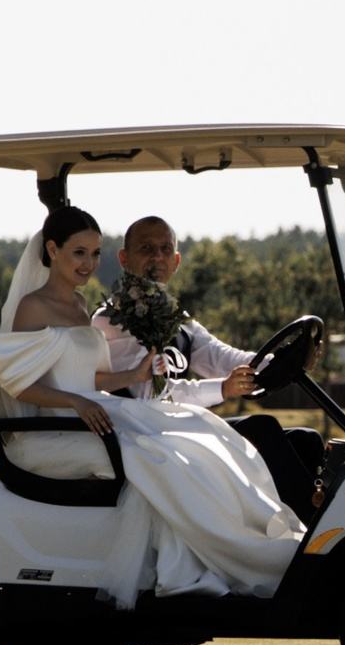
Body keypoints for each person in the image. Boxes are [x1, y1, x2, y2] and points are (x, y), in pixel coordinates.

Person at [0, 204, 300, 608]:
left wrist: (133, 376)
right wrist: (75, 402)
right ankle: (215, 563)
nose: (88, 263)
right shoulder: (38, 307)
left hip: (94, 415)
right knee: (164, 457)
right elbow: (20, 384)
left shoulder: (79, 307)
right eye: (79, 252)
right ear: (53, 250)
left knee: (203, 438)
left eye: (94, 253)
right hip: (62, 427)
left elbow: (90, 377)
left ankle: (244, 545)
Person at [98, 215, 328, 522]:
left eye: (166, 249)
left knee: (307, 439)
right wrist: (223, 389)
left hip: (180, 429)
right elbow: (149, 395)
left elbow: (223, 357)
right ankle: (312, 538)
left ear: (176, 261)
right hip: (146, 435)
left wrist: (285, 361)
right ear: (125, 259)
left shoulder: (177, 318)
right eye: (146, 248)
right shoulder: (113, 320)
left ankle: (319, 529)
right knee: (262, 429)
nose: (157, 257)